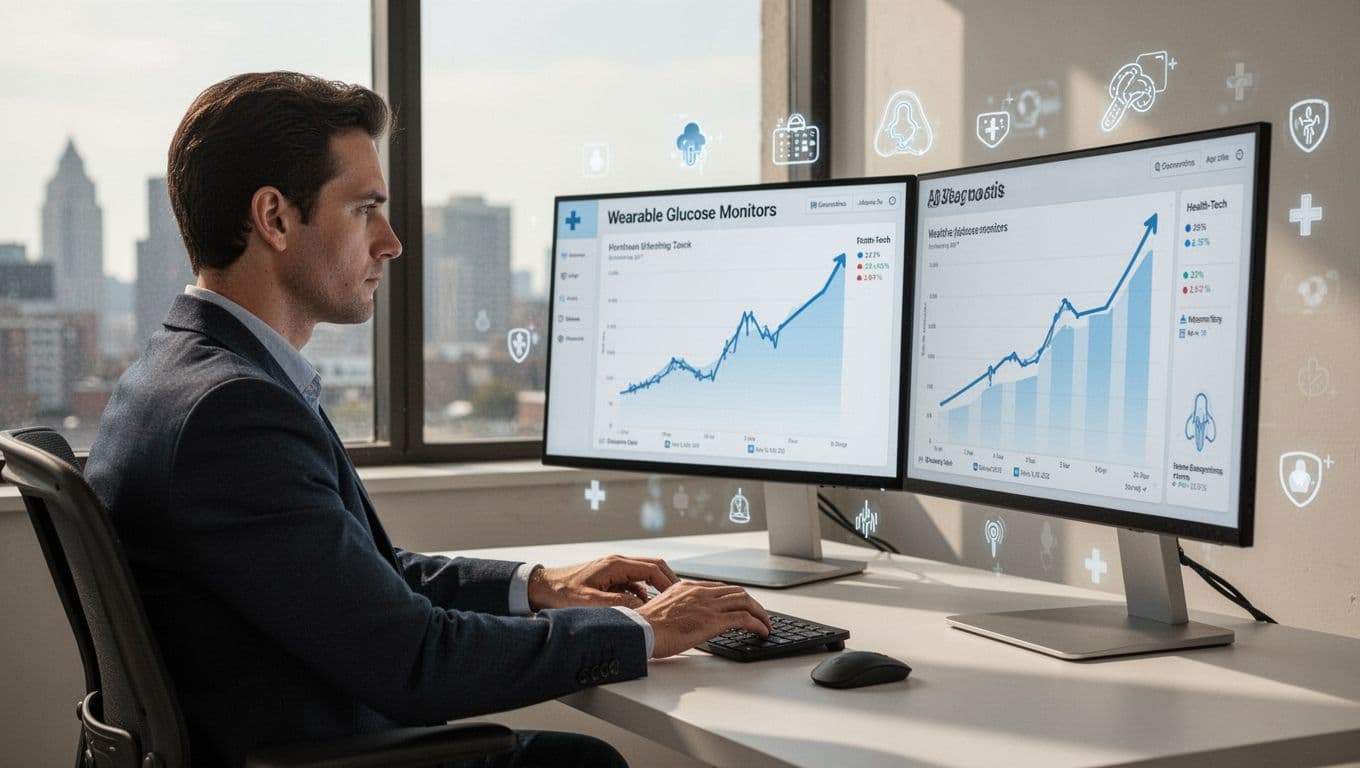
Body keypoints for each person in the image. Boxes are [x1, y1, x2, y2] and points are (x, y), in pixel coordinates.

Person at [85, 71, 771, 768]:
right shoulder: (231, 413)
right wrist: (639, 629)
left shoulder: (176, 376)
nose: (391, 241)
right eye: (364, 209)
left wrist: (540, 586)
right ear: (275, 218)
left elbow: (357, 579)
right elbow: (414, 661)